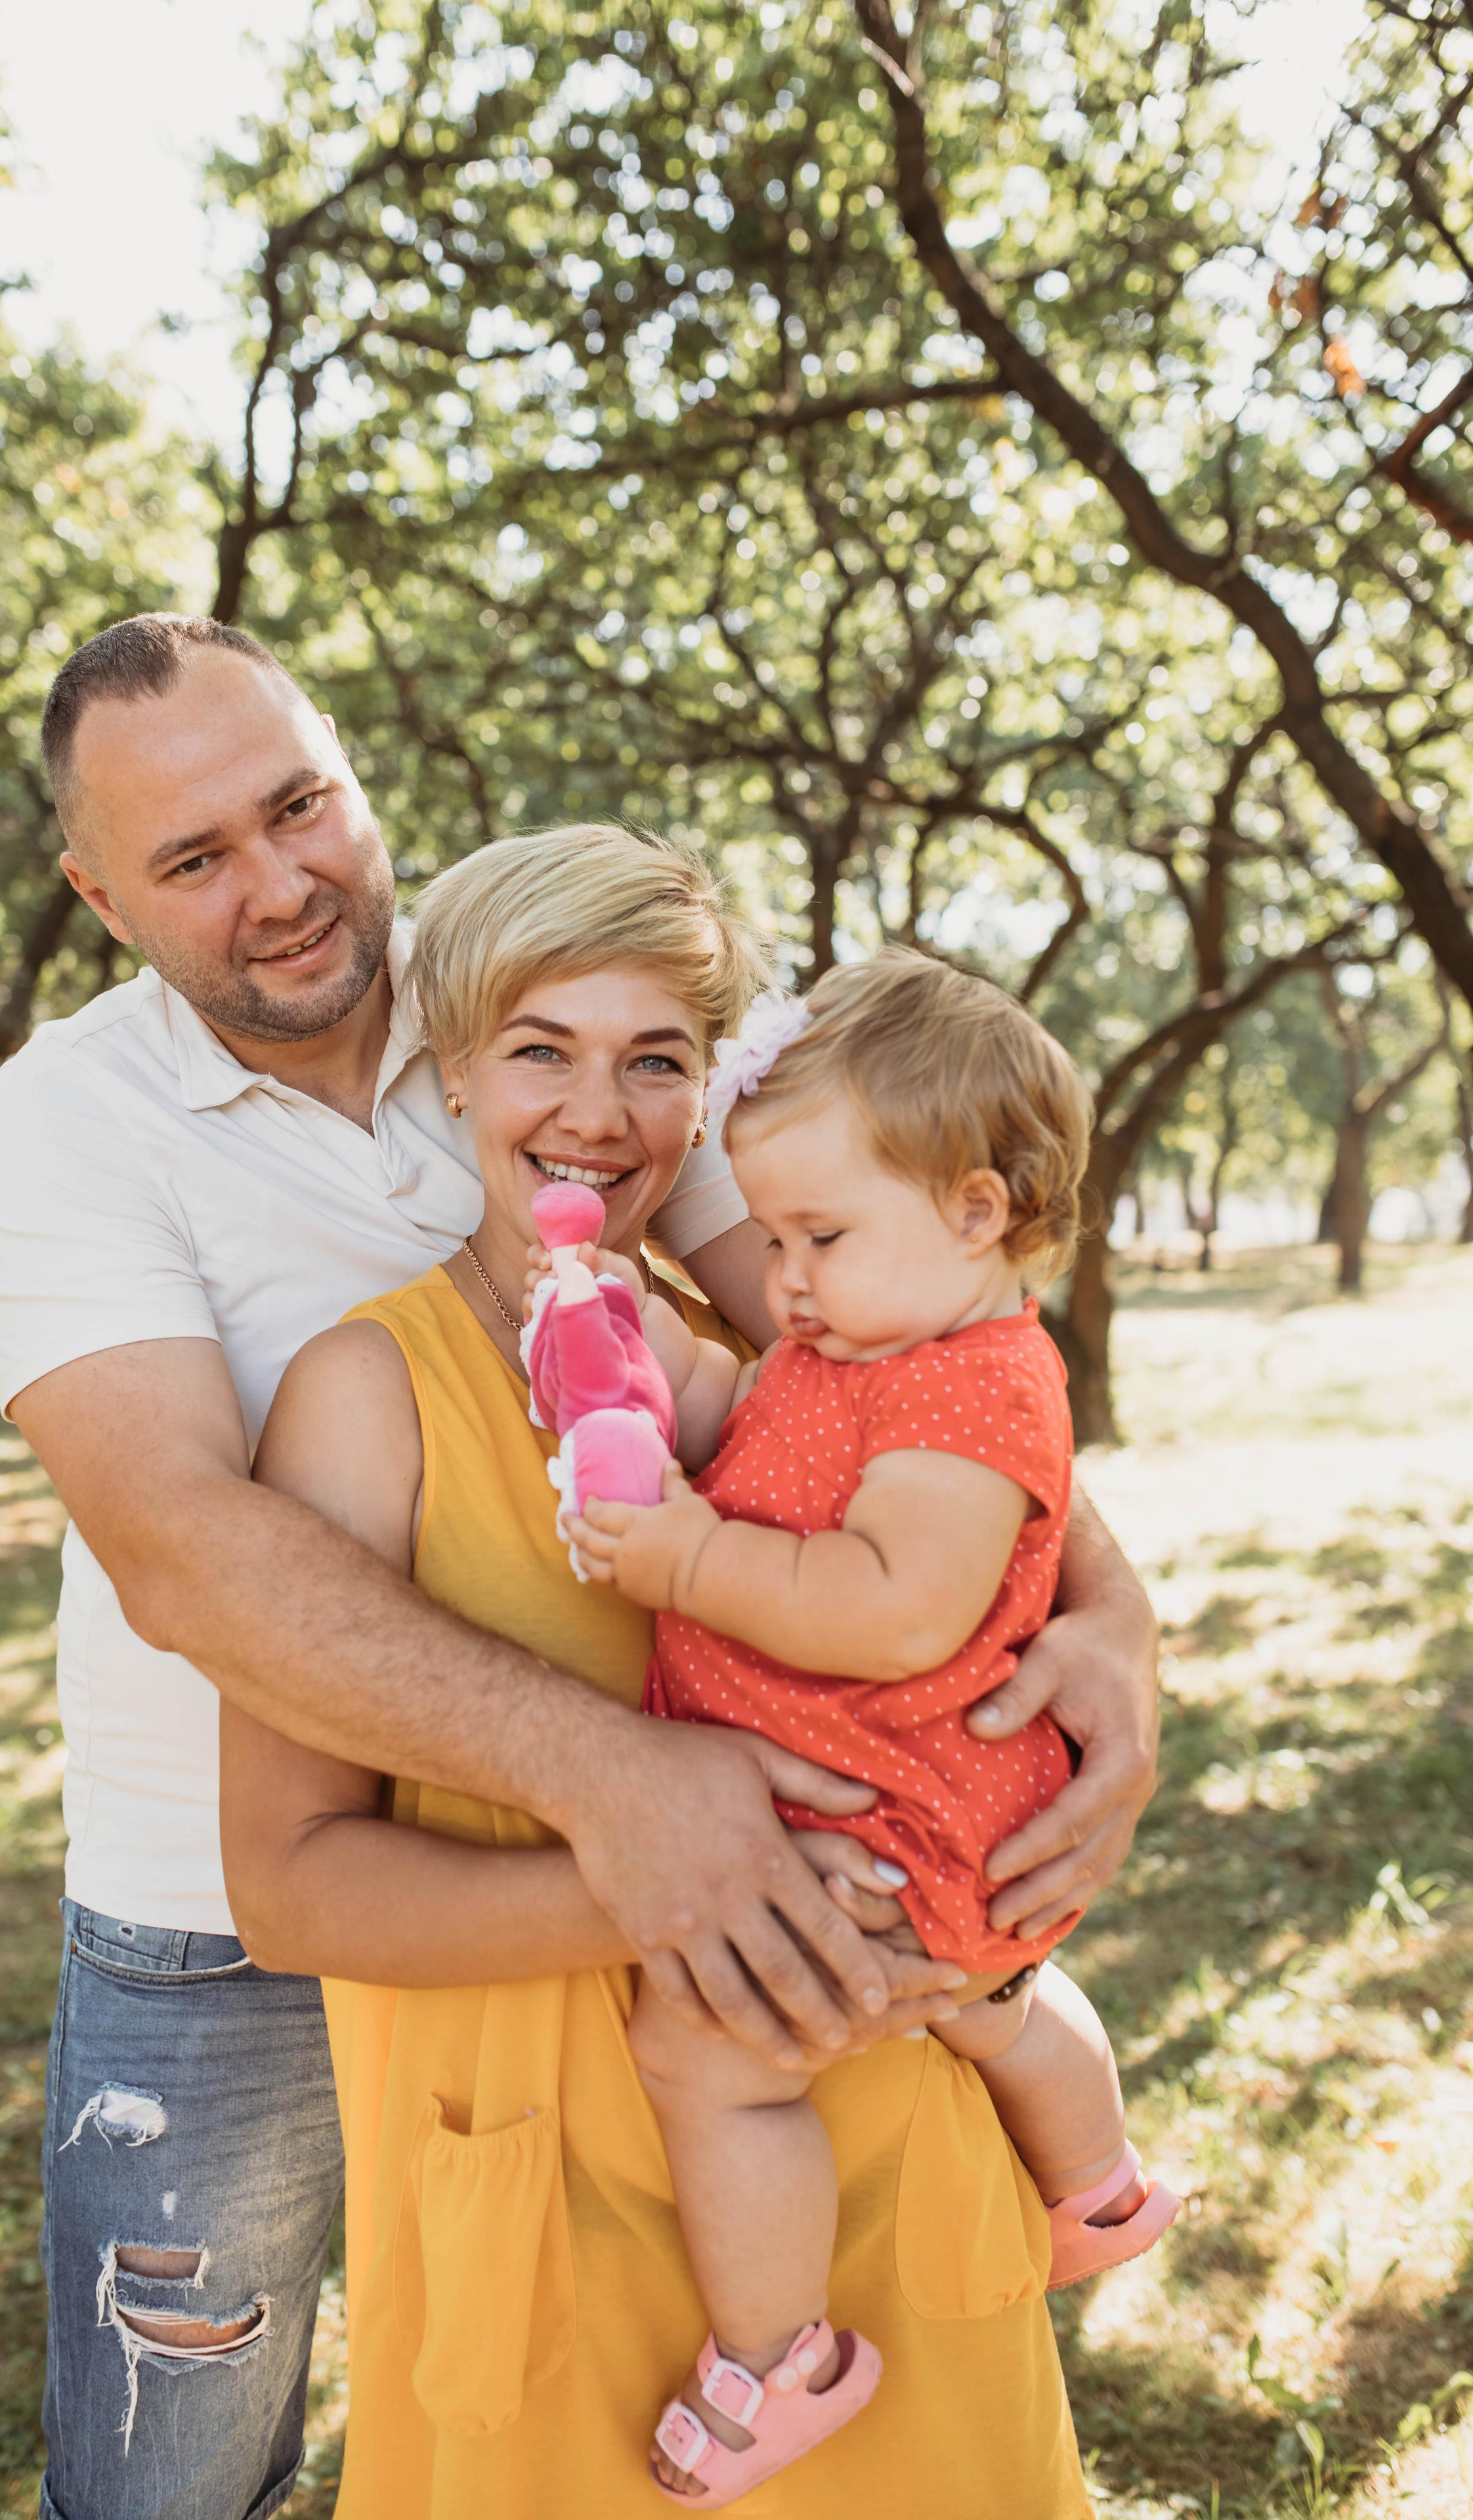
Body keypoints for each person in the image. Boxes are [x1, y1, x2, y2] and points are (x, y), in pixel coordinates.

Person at [0, 612, 1155, 2520]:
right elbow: (191, 1561)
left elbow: (884, 1354)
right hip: (242, 1895)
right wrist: (640, 1800)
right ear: (102, 897)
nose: (278, 884)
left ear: (356, 775)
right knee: (181, 2466)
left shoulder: (548, 993)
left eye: (299, 805)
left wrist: (1106, 1620)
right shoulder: (67, 1135)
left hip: (708, 1939)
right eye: (194, 857)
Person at [219, 825, 1099, 2519]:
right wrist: (679, 1878)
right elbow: (289, 1890)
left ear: (706, 1094)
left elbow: (980, 1559)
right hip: (547, 2203)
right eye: (541, 1050)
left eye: (657, 1061)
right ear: (452, 1066)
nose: (597, 1116)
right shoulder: (363, 1395)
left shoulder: (779, 1349)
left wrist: (1085, 1704)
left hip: (873, 2149)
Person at [563, 953, 1180, 2502]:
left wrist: (687, 1560)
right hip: (928, 1817)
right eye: (768, 1235)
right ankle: (1097, 2185)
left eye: (818, 1236)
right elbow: (761, 1427)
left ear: (976, 1211)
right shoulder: (868, 1347)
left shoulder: (973, 1396)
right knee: (991, 2000)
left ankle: (781, 2359)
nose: (781, 1277)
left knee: (709, 2059)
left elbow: (895, 1606)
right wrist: (646, 1368)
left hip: (886, 1823)